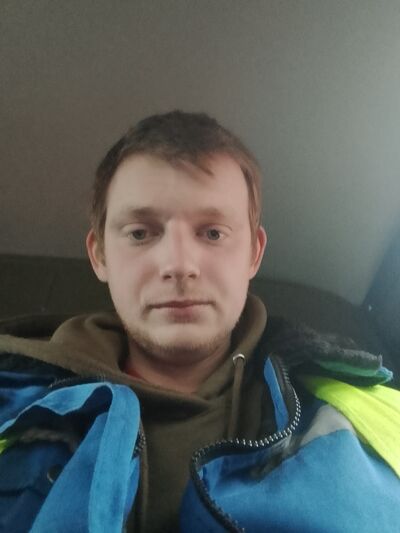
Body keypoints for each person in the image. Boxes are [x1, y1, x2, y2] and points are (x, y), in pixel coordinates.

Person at [0, 111, 399, 533]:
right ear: (99, 255)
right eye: (140, 233)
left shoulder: (373, 413)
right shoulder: (14, 407)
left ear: (253, 253)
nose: (178, 265)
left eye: (212, 233)